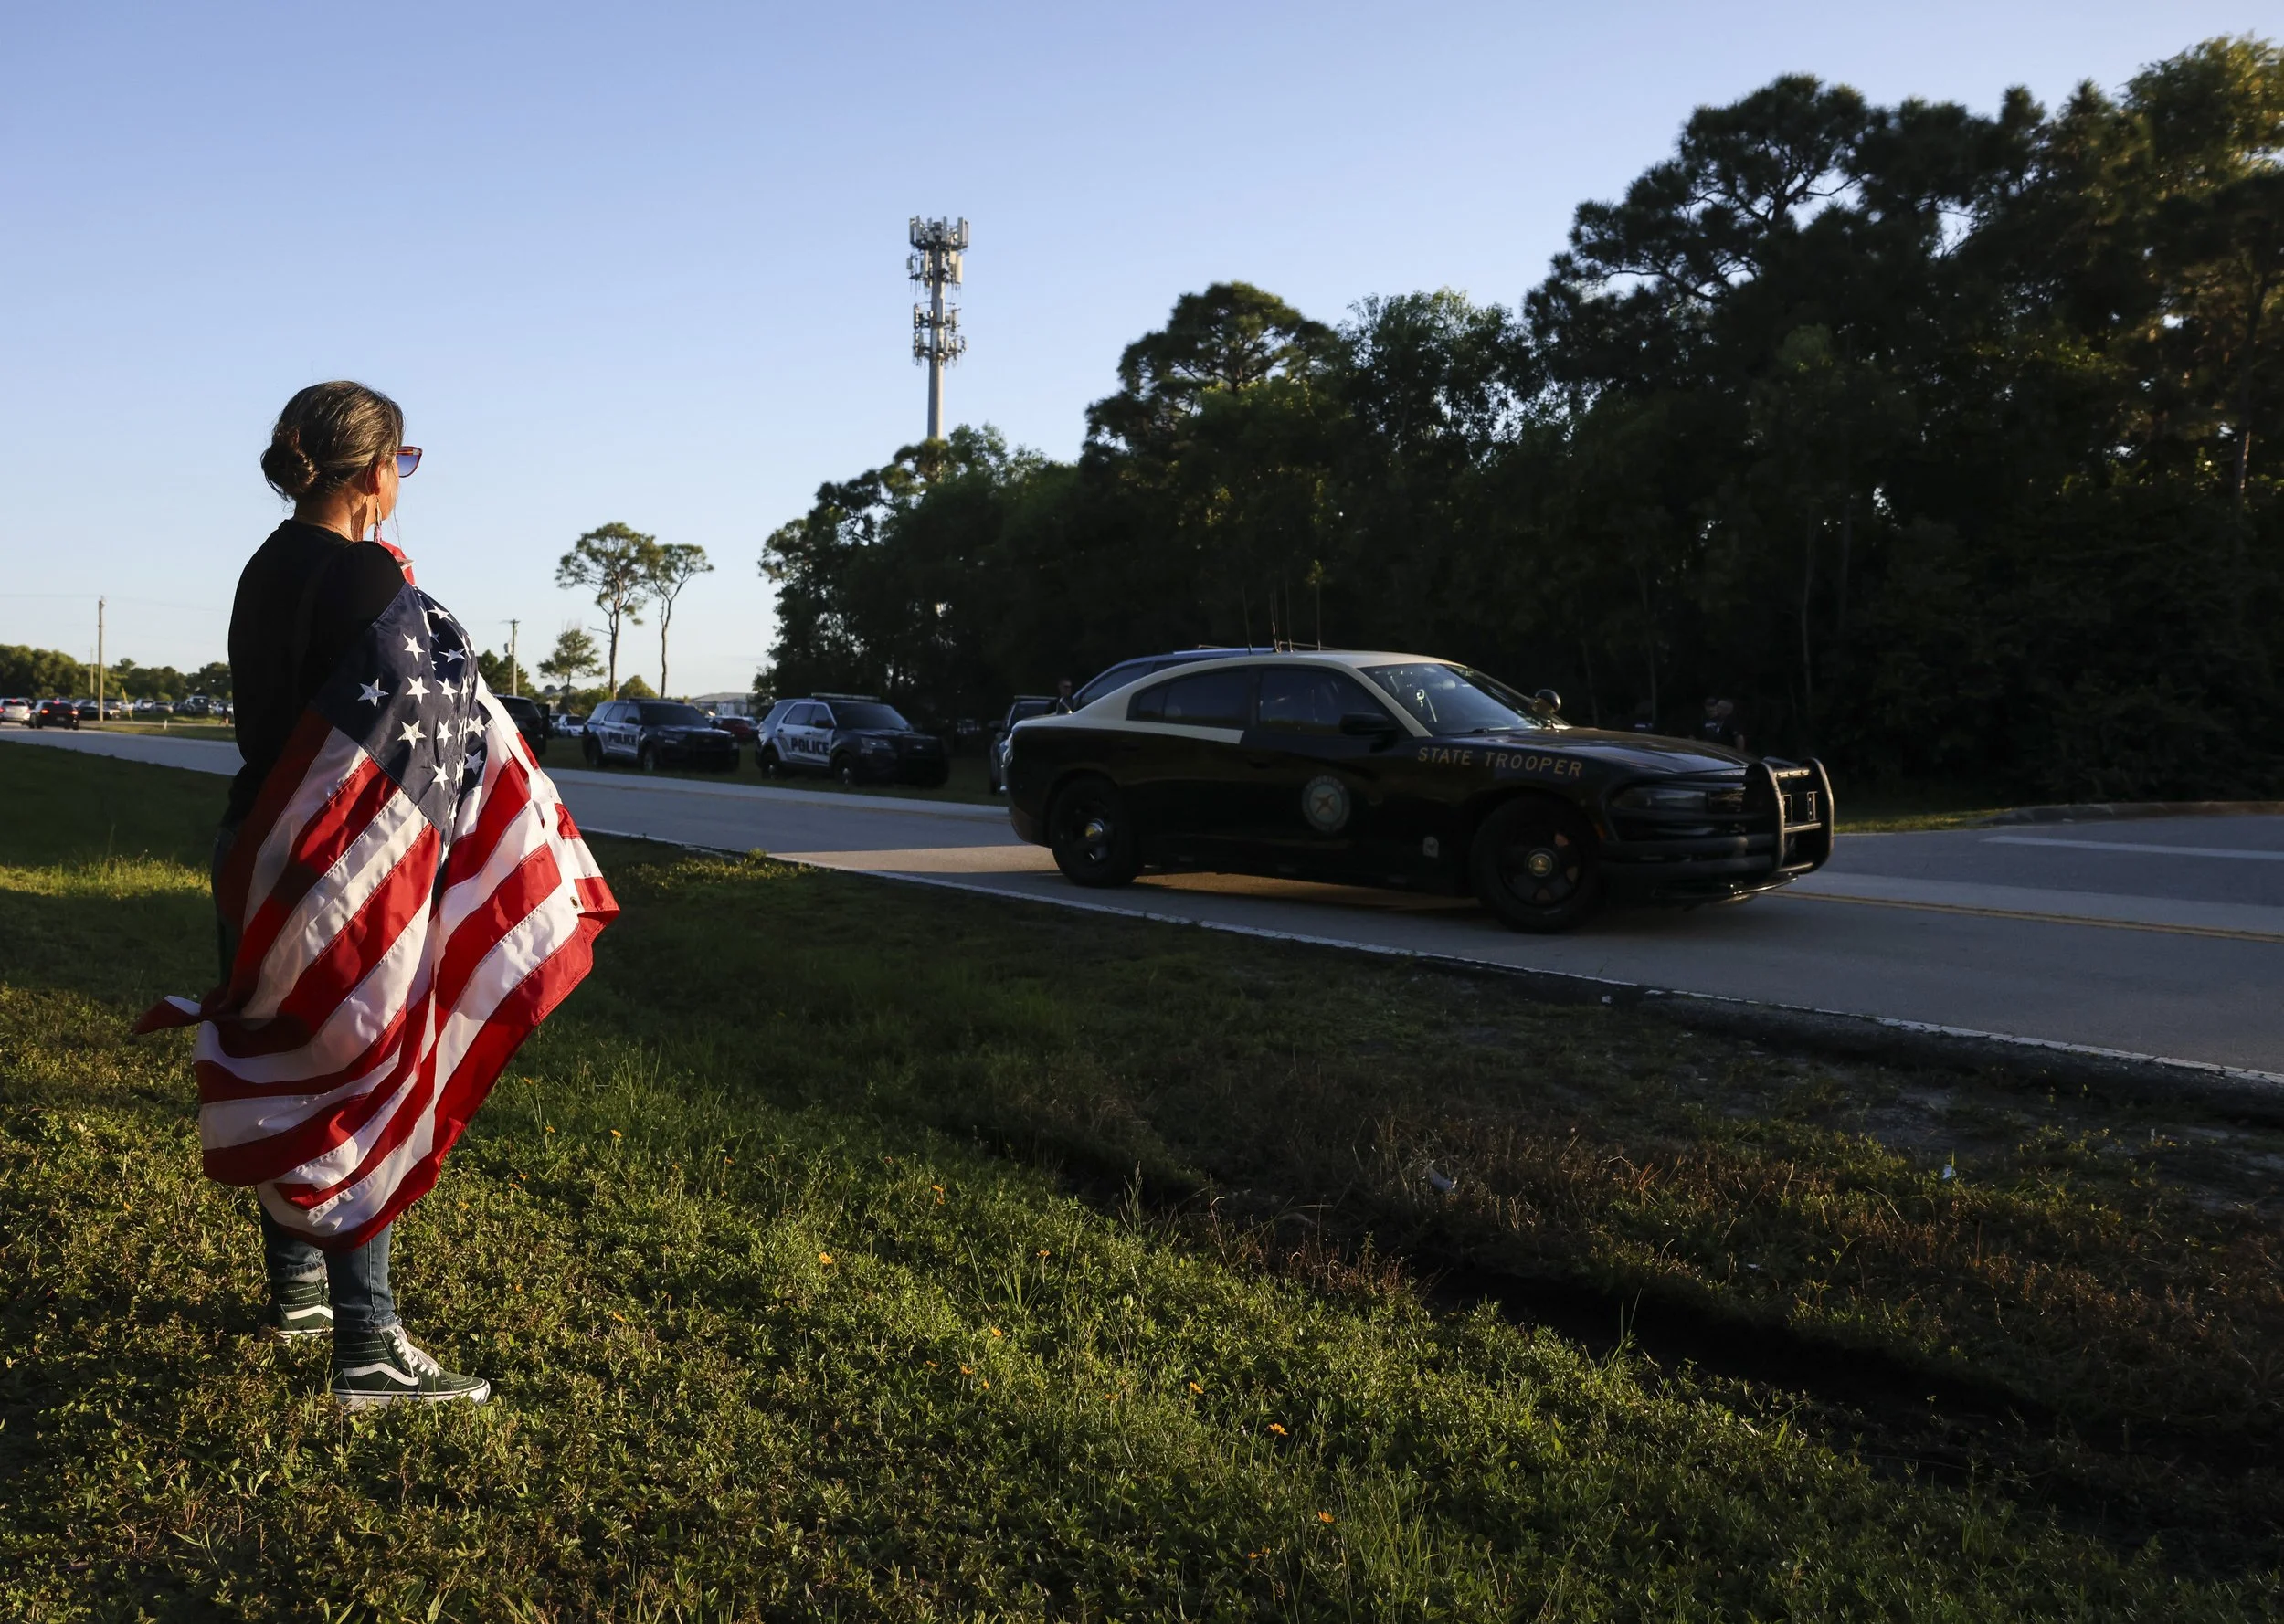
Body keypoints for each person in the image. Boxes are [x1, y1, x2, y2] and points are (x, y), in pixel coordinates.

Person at [219, 381, 489, 1407]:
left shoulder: (261, 568)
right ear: (377, 470)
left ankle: (297, 1289)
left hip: (248, 839)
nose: (401, 481)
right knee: (359, 1075)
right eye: (403, 462)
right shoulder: (371, 575)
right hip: (335, 858)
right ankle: (368, 1343)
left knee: (285, 1059)